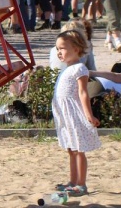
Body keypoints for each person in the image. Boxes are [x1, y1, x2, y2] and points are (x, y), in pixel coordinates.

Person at [52, 29, 101, 197]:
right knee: (71, 149)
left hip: (75, 115)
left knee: (79, 150)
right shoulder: (65, 69)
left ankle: (81, 183)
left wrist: (89, 115)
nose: (59, 52)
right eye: (57, 49)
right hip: (65, 116)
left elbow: (83, 93)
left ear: (77, 49)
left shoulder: (80, 69)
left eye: (62, 48)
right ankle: (72, 181)